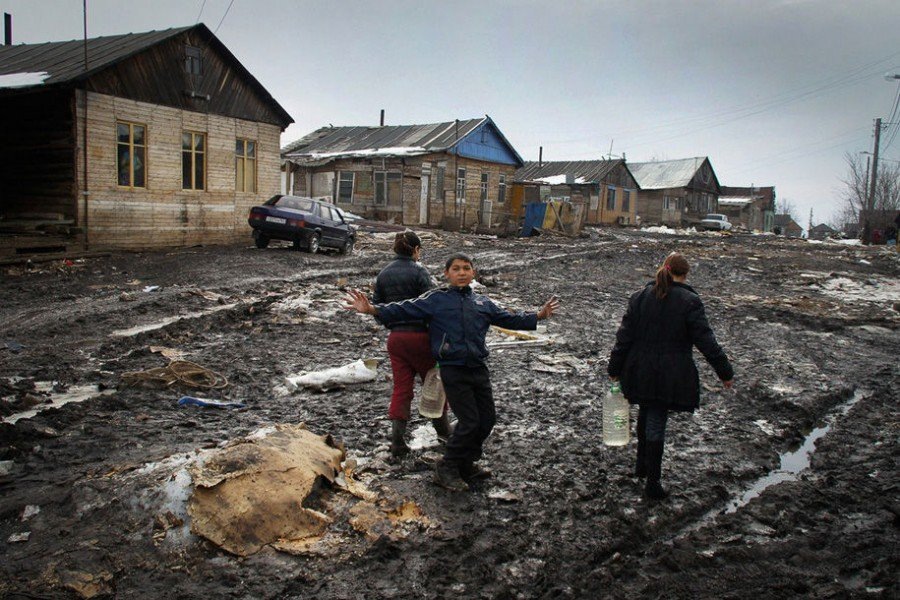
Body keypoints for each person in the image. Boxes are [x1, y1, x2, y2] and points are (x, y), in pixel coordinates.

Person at [344, 253, 560, 492]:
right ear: (446, 274)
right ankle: (447, 467)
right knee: (469, 422)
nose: (461, 272)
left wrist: (537, 316)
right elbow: (403, 309)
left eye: (466, 268)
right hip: (453, 370)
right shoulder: (436, 299)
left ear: (473, 274)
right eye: (456, 269)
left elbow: (508, 318)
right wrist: (372, 309)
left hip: (478, 368)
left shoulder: (482, 303)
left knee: (487, 420)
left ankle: (466, 463)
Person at [607, 252, 733, 501]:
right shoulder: (689, 301)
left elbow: (624, 338)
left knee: (646, 411)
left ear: (664, 269)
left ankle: (642, 466)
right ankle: (652, 484)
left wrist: (614, 368)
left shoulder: (640, 297)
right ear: (685, 275)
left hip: (639, 369)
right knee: (655, 418)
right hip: (669, 374)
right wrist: (725, 371)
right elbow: (706, 341)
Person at [372, 231, 446, 457]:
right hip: (421, 338)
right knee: (433, 386)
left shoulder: (383, 274)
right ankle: (444, 434)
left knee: (401, 389)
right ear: (416, 250)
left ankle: (397, 441)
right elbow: (433, 305)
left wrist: (392, 323)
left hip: (396, 340)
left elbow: (378, 310)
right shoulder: (419, 271)